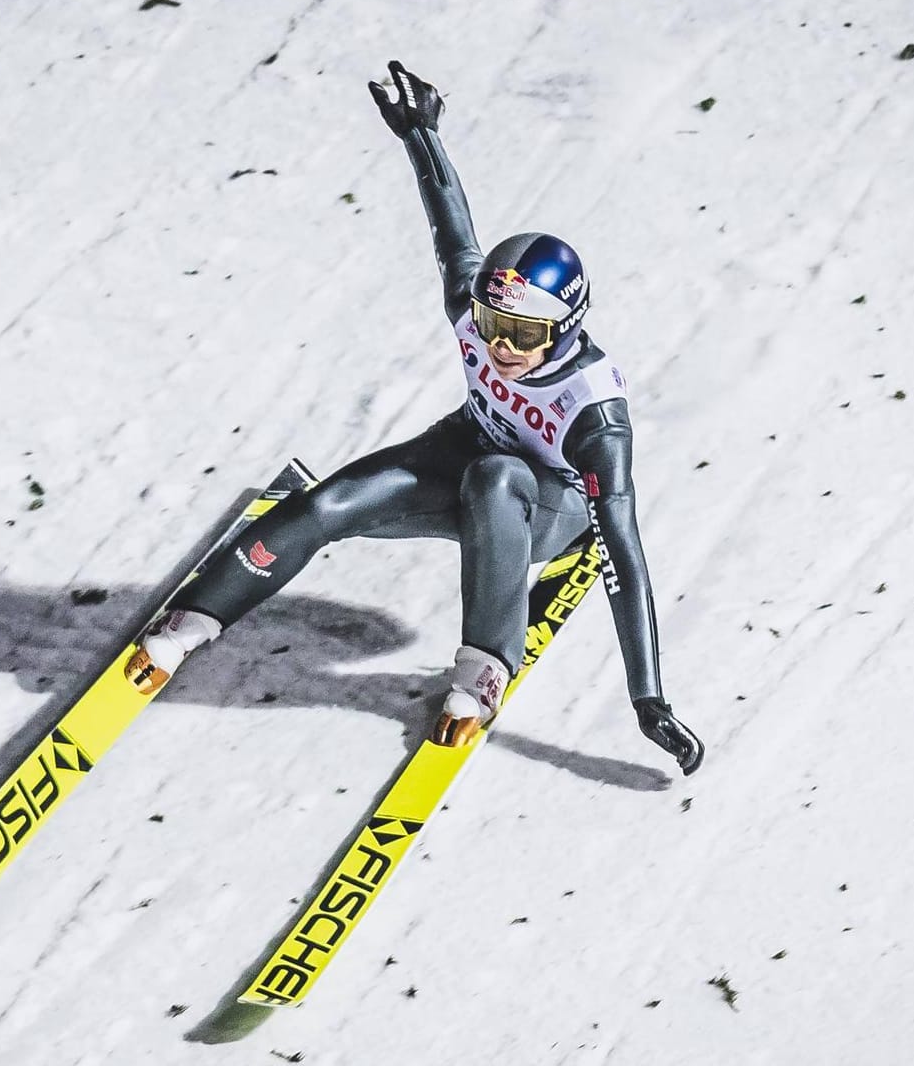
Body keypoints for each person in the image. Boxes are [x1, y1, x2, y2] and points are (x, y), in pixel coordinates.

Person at [124, 61, 703, 775]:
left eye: (523, 336)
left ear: (565, 330)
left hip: (546, 511)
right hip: (463, 451)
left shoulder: (595, 416)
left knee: (496, 478)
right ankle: (193, 622)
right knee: (327, 504)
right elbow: (451, 227)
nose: (500, 347)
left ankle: (483, 669)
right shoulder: (473, 305)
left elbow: (624, 551)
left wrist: (648, 699)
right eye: (493, 322)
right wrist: (421, 133)